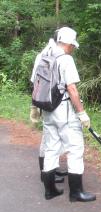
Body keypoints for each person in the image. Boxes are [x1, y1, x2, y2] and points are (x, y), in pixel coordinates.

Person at [36, 26, 96, 202]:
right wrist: (82, 113)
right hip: (64, 111)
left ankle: (50, 191)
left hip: (47, 110)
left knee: (51, 148)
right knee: (75, 148)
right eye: (73, 46)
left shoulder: (44, 55)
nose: (73, 49)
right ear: (68, 43)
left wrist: (35, 108)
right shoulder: (66, 60)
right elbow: (72, 89)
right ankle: (76, 193)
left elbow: (36, 83)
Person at [30, 30, 67, 183]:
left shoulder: (47, 52)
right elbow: (36, 79)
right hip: (47, 100)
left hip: (45, 98)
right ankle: (46, 174)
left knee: (50, 138)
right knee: (47, 138)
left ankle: (51, 170)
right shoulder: (47, 54)